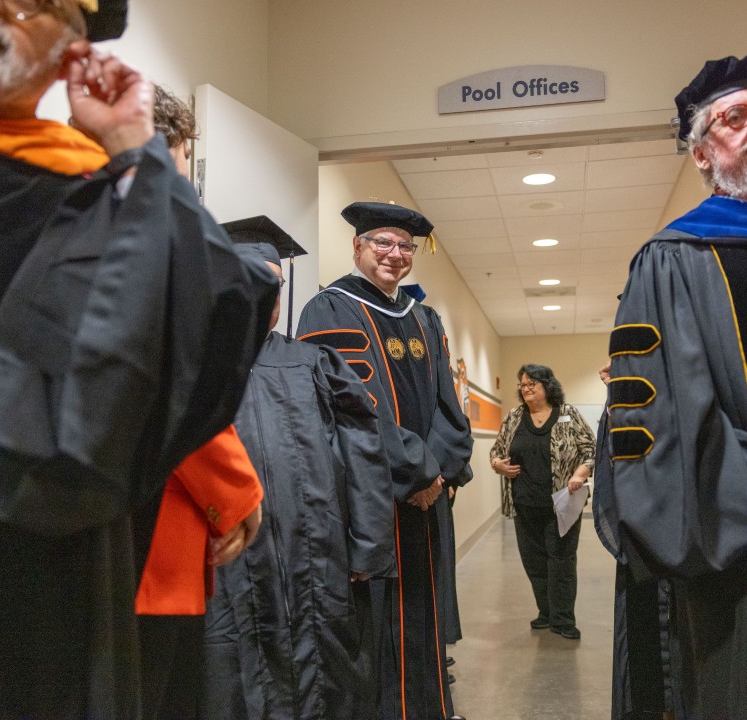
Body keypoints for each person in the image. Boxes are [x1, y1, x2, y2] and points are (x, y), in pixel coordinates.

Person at [0, 1, 273, 717]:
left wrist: (134, 149)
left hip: (38, 596)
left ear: (73, 53)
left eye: (40, 0)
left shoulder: (105, 195)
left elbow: (200, 356)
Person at [602, 52, 747, 719]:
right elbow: (661, 418)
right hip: (745, 544)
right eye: (735, 115)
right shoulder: (672, 258)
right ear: (702, 153)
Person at [200, 236, 396, 720]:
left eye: (275, 286)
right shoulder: (194, 366)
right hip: (228, 561)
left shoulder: (314, 364)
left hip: (316, 556)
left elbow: (364, 450)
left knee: (326, 676)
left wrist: (368, 544)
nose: (264, 299)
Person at [297, 201, 472, 720]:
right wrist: (416, 471)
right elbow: (350, 408)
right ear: (357, 246)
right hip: (372, 498)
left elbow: (450, 406)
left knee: (427, 617)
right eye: (383, 243)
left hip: (427, 497)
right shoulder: (330, 309)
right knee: (378, 625)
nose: (395, 255)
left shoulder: (424, 316)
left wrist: (438, 471)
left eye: (404, 247)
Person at [132, 85, 265, 720]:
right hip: (149, 526)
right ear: (172, 150)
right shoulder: (149, 237)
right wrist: (239, 498)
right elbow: (180, 389)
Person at [490, 364, 595, 640]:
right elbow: (497, 452)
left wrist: (580, 472)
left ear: (547, 386)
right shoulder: (514, 417)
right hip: (524, 505)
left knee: (561, 561)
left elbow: (591, 449)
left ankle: (563, 619)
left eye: (531, 384)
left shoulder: (568, 414)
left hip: (562, 504)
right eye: (522, 385)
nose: (525, 389)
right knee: (535, 563)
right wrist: (498, 465)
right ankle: (545, 613)